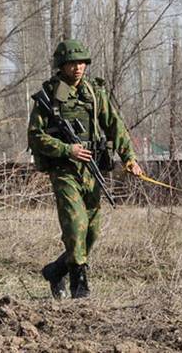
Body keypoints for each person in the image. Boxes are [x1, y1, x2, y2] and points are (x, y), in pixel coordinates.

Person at [28, 39, 143, 299]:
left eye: (81, 63)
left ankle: (57, 270)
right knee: (75, 224)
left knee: (91, 230)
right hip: (64, 170)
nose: (78, 68)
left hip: (91, 170)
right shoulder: (48, 96)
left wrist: (129, 158)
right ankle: (79, 285)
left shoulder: (93, 93)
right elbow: (35, 136)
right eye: (72, 63)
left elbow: (115, 125)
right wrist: (68, 149)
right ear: (62, 65)